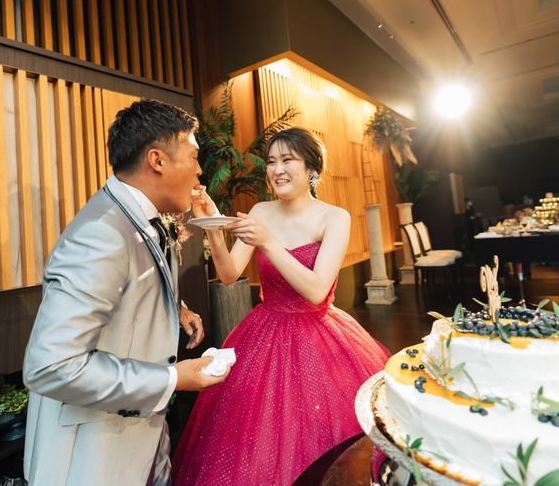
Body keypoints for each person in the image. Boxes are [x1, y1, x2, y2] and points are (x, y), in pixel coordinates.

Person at [22, 99, 230, 486]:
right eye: (193, 156)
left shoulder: (136, 215)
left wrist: (176, 308)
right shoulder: (102, 232)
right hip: (93, 457)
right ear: (157, 160)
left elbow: (133, 282)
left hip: (142, 438)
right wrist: (171, 379)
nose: (200, 170)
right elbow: (52, 366)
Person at [171, 127, 390, 485]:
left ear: (311, 168)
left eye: (287, 160)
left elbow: (317, 290)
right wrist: (213, 226)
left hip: (320, 334)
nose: (277, 170)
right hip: (265, 330)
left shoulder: (334, 218)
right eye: (271, 162)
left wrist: (269, 242)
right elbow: (229, 274)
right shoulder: (262, 211)